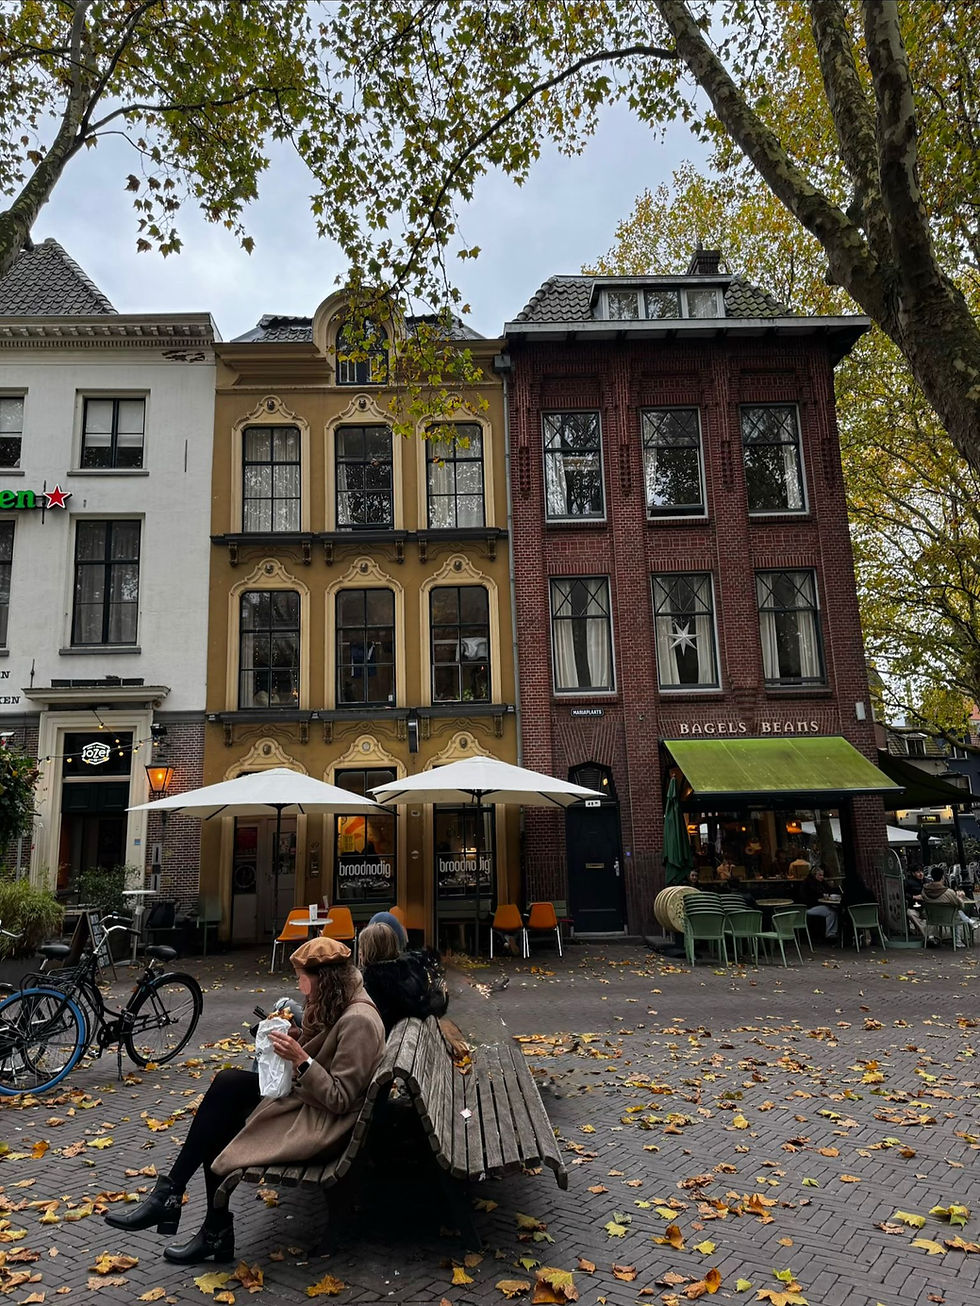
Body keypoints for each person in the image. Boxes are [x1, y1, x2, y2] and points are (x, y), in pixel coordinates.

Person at [105, 937, 384, 1264]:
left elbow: (339, 1098)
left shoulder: (358, 1020)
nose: (298, 983)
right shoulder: (338, 1003)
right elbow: (323, 1053)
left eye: (301, 977)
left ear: (325, 978)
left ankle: (194, 1216)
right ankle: (179, 1200)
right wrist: (296, 1038)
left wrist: (299, 1059)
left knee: (221, 1116)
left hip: (324, 1127)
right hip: (307, 1105)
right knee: (226, 1088)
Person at [357, 921, 449, 1034]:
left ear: (368, 951)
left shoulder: (371, 986)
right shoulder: (406, 976)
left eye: (361, 948)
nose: (359, 952)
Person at [908, 866, 980, 942]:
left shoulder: (924, 891)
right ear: (942, 877)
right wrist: (959, 897)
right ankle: (961, 936)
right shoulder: (948, 892)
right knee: (958, 911)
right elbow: (960, 905)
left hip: (932, 917)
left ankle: (965, 928)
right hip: (948, 918)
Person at [800, 865, 838, 942]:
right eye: (820, 875)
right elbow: (814, 896)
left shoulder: (821, 882)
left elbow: (829, 890)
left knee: (834, 909)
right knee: (831, 912)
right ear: (814, 875)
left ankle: (833, 932)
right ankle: (830, 933)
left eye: (822, 875)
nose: (822, 877)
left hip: (818, 905)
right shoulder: (809, 883)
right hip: (809, 907)